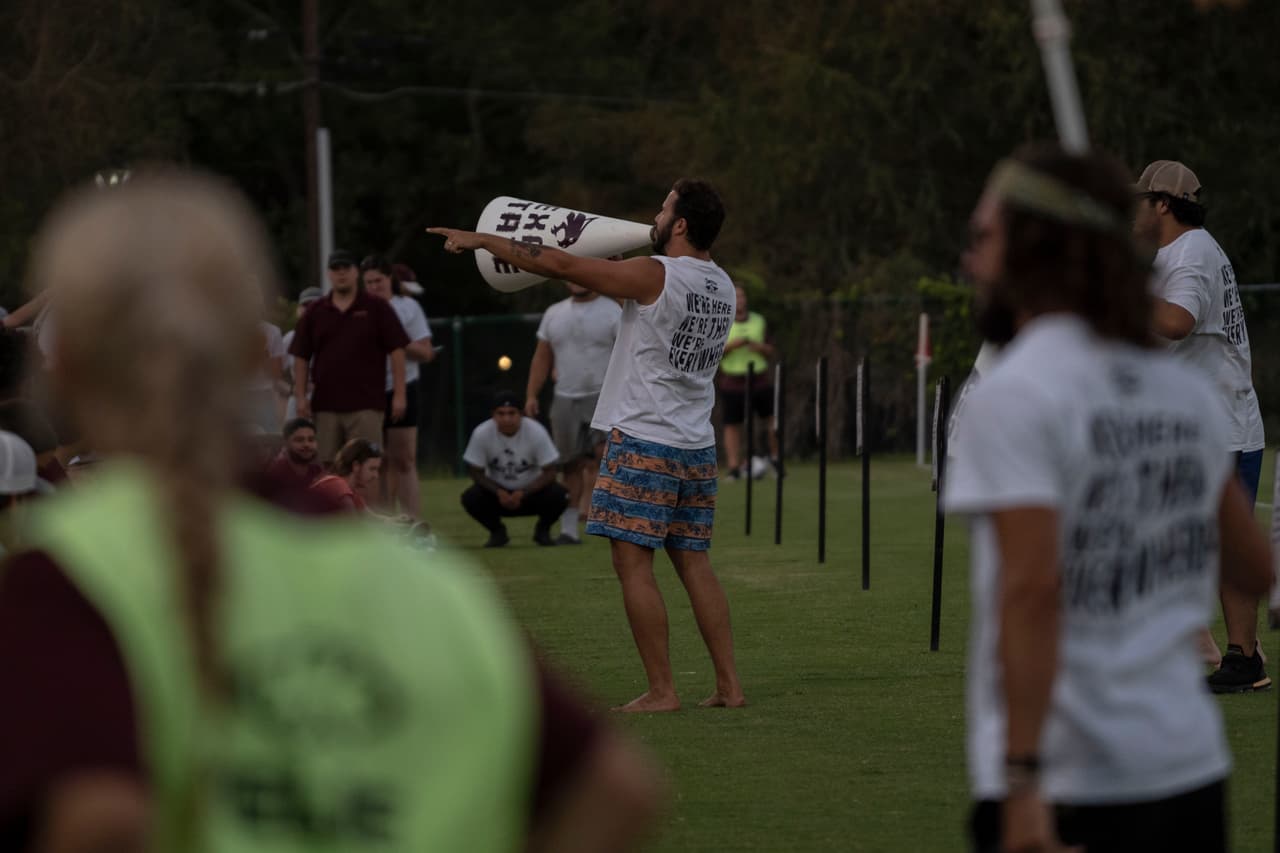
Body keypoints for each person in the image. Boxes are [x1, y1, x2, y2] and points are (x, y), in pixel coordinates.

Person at [0, 169, 661, 853]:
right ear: (252, 354)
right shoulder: (425, 584)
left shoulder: (67, 578)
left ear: (61, 368)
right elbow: (618, 789)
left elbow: (101, 819)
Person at [947, 144, 1272, 853]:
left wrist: (1024, 782)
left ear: (1037, 249)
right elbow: (1252, 565)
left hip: (1074, 782)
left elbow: (1031, 593)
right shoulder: (1181, 391)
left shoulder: (1014, 393)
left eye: (984, 237)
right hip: (1190, 771)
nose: (971, 260)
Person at [430, 178, 746, 713]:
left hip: (645, 439)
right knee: (695, 563)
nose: (655, 216)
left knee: (633, 565)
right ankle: (729, 687)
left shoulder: (655, 273)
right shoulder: (720, 284)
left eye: (664, 209)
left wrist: (485, 240)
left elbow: (560, 265)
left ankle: (663, 691)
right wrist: (619, 273)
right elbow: (657, 316)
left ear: (680, 224)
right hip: (696, 445)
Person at [1133, 159, 1268, 692]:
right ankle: (1236, 653)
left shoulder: (1190, 253)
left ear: (1163, 204)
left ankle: (1238, 656)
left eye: (1143, 201)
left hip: (1221, 427)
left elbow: (1176, 322)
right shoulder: (1181, 251)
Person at [288, 249, 409, 464]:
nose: (341, 273)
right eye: (336, 269)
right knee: (326, 465)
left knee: (366, 464)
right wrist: (300, 396)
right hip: (325, 405)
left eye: (346, 268)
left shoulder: (377, 307)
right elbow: (301, 355)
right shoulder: (315, 311)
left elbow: (397, 350)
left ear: (356, 272)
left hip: (367, 403)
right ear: (329, 274)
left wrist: (400, 394)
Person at [525, 282, 622, 544]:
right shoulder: (554, 313)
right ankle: (569, 529)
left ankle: (614, 520)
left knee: (608, 457)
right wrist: (532, 394)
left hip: (604, 395)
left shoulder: (612, 310)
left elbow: (628, 354)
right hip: (565, 397)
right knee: (569, 464)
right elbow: (542, 357)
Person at [360, 255, 436, 517]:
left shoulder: (408, 307)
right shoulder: (359, 309)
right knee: (375, 461)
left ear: (389, 279)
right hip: (367, 390)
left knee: (404, 459)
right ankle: (383, 524)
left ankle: (413, 524)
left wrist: (396, 340)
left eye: (378, 281)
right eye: (369, 282)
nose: (374, 287)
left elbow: (426, 352)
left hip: (403, 387)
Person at [461, 391, 568, 547]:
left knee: (561, 495)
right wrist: (498, 491)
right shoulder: (481, 433)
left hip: (531, 494)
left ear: (521, 414)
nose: (506, 419)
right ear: (493, 415)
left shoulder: (536, 432)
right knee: (470, 498)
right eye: (501, 413)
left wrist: (523, 492)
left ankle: (542, 532)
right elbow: (475, 471)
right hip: (497, 495)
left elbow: (551, 471)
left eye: (512, 413)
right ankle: (497, 532)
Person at [717, 284, 779, 480]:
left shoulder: (759, 321)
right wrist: (731, 347)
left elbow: (771, 350)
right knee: (732, 424)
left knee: (771, 419)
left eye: (742, 296)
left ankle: (775, 459)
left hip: (759, 379)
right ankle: (734, 467)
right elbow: (713, 352)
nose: (740, 300)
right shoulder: (722, 321)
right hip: (732, 381)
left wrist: (759, 347)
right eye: (736, 296)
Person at [310, 437, 383, 512]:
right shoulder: (338, 486)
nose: (376, 476)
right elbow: (353, 518)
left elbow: (371, 517)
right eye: (372, 469)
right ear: (356, 466)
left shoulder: (351, 492)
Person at [265, 416, 325, 488]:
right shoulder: (276, 474)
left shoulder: (316, 470)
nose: (307, 444)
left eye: (311, 440)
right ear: (286, 443)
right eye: (299, 440)